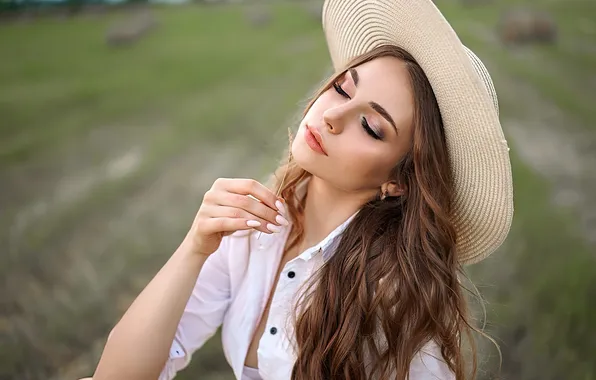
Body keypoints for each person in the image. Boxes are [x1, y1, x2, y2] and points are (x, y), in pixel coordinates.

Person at [86, 0, 514, 379]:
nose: (333, 114)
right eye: (344, 86)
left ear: (398, 180)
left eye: (371, 126)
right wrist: (195, 247)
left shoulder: (393, 302)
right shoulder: (259, 225)